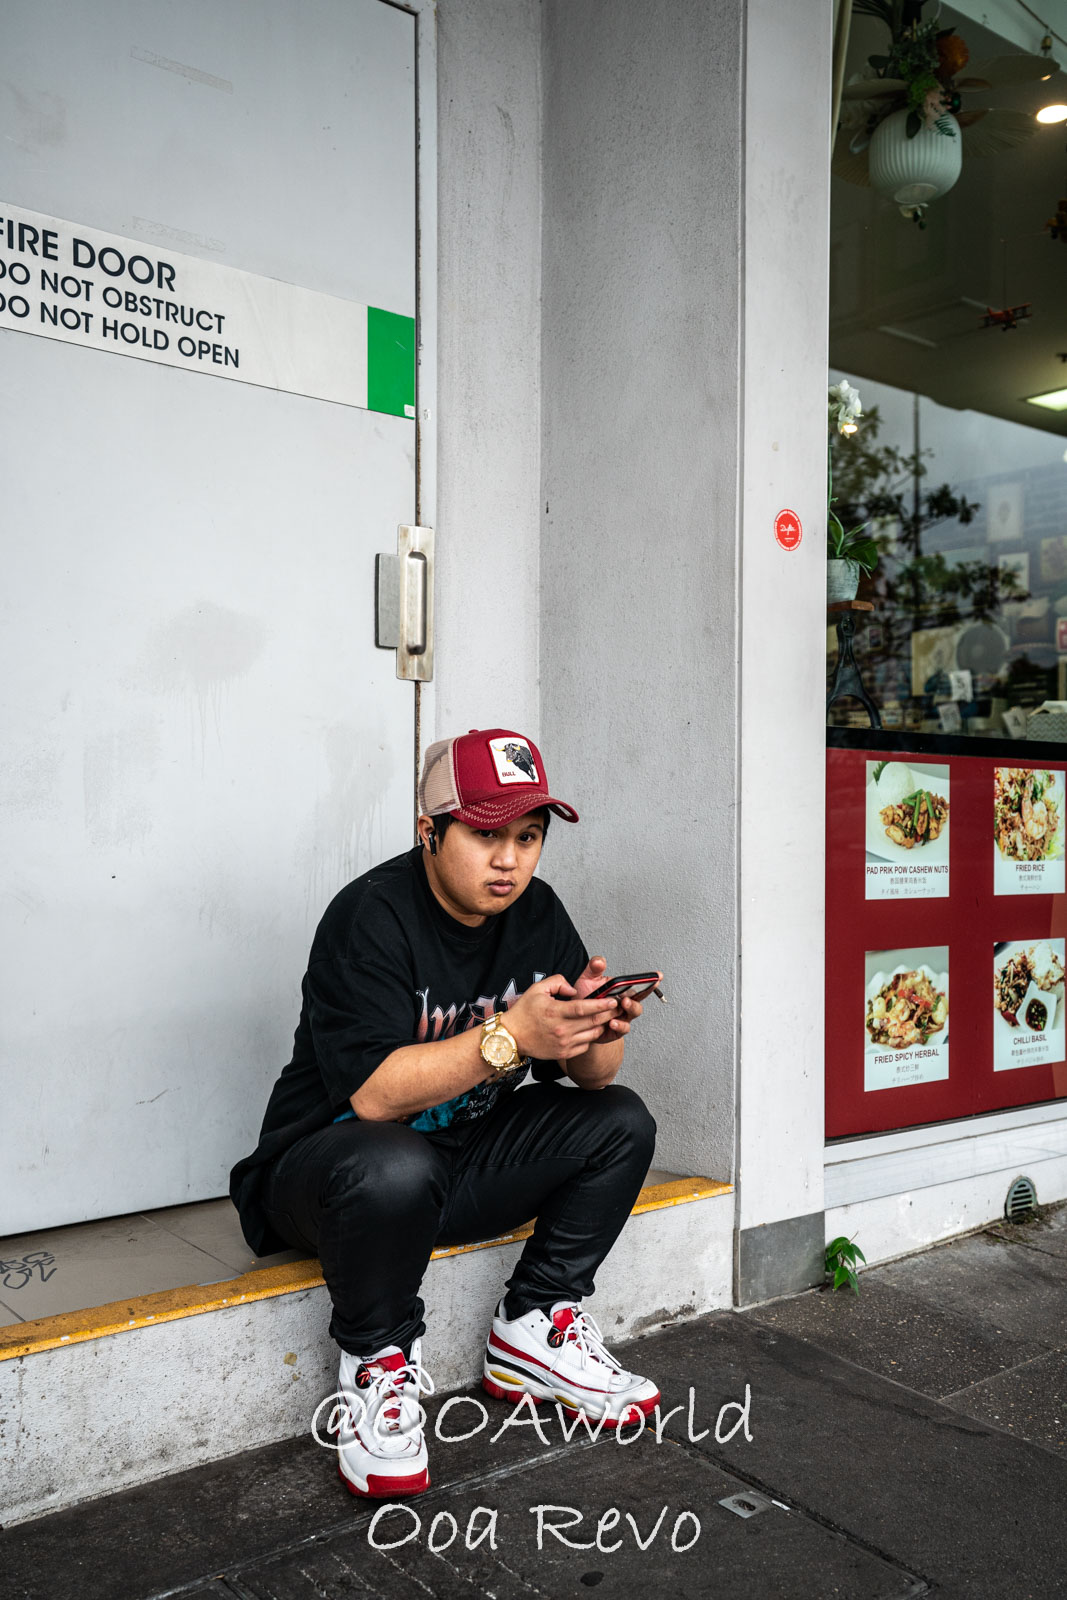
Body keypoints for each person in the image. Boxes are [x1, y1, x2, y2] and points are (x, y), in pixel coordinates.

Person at [229, 727, 660, 1500]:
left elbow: (590, 1082)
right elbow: (373, 1098)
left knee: (620, 1120)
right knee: (393, 1158)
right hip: (332, 1182)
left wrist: (594, 1032)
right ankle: (376, 1366)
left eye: (527, 837)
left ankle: (534, 1326)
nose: (510, 860)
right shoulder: (369, 915)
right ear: (429, 831)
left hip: (453, 1170)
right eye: (486, 834)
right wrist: (511, 1036)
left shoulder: (538, 913)